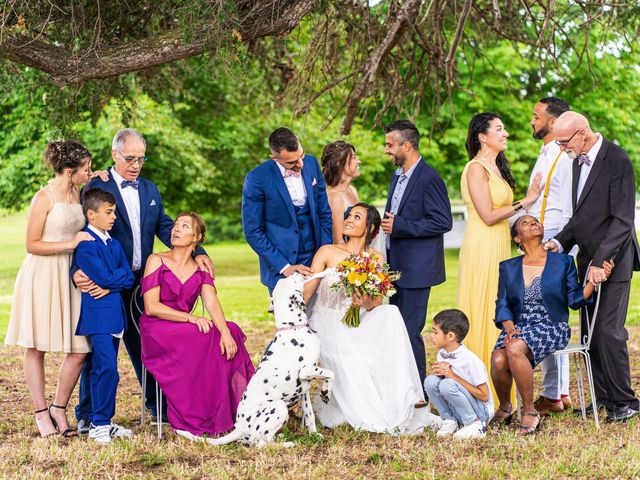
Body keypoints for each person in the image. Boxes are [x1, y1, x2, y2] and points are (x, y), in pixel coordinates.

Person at [72, 128, 215, 433]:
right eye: (130, 158)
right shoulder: (97, 185)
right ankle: (87, 414)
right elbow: (86, 230)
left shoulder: (149, 190)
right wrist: (77, 269)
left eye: (141, 159)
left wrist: (198, 251)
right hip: (104, 284)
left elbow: (164, 224)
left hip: (141, 282)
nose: (136, 165)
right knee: (101, 349)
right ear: (114, 155)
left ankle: (157, 407)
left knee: (145, 344)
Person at [303, 203, 441, 433]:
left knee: (391, 313)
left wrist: (361, 302)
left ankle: (406, 394)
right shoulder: (327, 252)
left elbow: (375, 304)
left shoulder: (375, 259)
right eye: (348, 216)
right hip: (326, 323)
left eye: (356, 217)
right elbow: (306, 293)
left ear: (370, 227)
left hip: (356, 320)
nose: (348, 220)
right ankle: (373, 409)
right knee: (351, 352)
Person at [545, 111, 640, 423]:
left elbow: (622, 220)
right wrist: (558, 242)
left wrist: (602, 262)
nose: (560, 148)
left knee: (608, 332)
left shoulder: (617, 159)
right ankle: (602, 399)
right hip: (586, 262)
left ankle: (625, 402)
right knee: (589, 333)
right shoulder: (575, 160)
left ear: (581, 132)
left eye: (563, 141)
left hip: (613, 261)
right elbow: (580, 219)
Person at [6, 141, 95, 437]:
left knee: (80, 348)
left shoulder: (79, 192)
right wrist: (69, 244)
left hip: (71, 276)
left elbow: (96, 185)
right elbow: (31, 244)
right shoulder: (43, 197)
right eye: (86, 169)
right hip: (43, 274)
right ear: (70, 171)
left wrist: (102, 175)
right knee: (37, 345)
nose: (89, 173)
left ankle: (59, 407)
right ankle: (41, 412)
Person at [140, 212, 255, 440]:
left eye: (184, 226)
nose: (176, 229)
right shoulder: (157, 260)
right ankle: (200, 414)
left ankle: (241, 408)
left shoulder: (201, 268)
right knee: (203, 334)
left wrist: (225, 333)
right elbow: (152, 307)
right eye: (175, 225)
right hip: (158, 328)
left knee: (230, 330)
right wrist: (191, 318)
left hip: (184, 330)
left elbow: (211, 302)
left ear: (197, 237)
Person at [492, 215, 610, 433]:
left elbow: (574, 299)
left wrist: (592, 283)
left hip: (552, 325)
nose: (533, 223)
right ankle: (506, 406)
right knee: (499, 359)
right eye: (525, 223)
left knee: (514, 348)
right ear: (517, 238)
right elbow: (503, 302)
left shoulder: (562, 262)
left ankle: (529, 411)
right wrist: (509, 327)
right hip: (518, 325)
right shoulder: (508, 267)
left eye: (535, 221)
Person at [457, 112, 542, 403]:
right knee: (483, 306)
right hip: (482, 245)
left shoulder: (496, 167)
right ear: (482, 136)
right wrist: (526, 201)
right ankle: (482, 391)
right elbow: (488, 215)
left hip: (501, 245)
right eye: (499, 129)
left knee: (503, 306)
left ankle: (501, 387)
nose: (505, 133)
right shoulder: (475, 168)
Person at [382, 120, 453, 388]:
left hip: (417, 269)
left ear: (407, 145)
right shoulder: (396, 176)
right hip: (394, 266)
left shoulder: (429, 178)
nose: (386, 150)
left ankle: (418, 390)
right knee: (396, 330)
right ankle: (400, 385)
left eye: (390, 145)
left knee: (410, 331)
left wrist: (400, 226)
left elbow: (443, 221)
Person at [74, 188, 136, 444]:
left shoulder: (115, 243)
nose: (113, 217)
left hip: (114, 315)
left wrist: (112, 284)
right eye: (108, 212)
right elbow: (106, 276)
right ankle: (98, 423)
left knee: (106, 368)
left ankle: (103, 421)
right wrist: (113, 280)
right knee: (106, 369)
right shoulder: (86, 244)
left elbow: (129, 276)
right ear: (91, 214)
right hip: (98, 317)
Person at [242, 127, 333, 298]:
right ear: (274, 158)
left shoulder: (312, 164)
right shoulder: (257, 178)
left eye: (301, 156)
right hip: (281, 266)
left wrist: (324, 254)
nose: (300, 165)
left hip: (317, 258)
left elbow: (324, 214)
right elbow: (253, 231)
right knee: (291, 322)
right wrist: (285, 267)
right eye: (292, 162)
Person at [527, 97, 574, 415]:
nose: (532, 121)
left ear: (554, 122)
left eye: (536, 116)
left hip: (555, 245)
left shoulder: (564, 155)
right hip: (544, 244)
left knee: (550, 317)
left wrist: (557, 242)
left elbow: (568, 206)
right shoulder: (545, 154)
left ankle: (553, 395)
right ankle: (561, 392)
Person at [424, 309, 493, 440]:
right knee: (431, 381)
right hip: (458, 407)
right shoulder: (442, 354)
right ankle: (449, 420)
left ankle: (475, 424)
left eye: (435, 332)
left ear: (450, 336)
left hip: (480, 412)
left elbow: (484, 396)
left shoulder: (470, 361)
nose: (432, 336)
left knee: (447, 384)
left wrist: (452, 376)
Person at [321, 140, 386, 258]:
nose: (359, 161)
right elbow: (338, 241)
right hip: (345, 262)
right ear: (339, 163)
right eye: (354, 158)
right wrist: (356, 266)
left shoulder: (352, 190)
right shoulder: (334, 197)